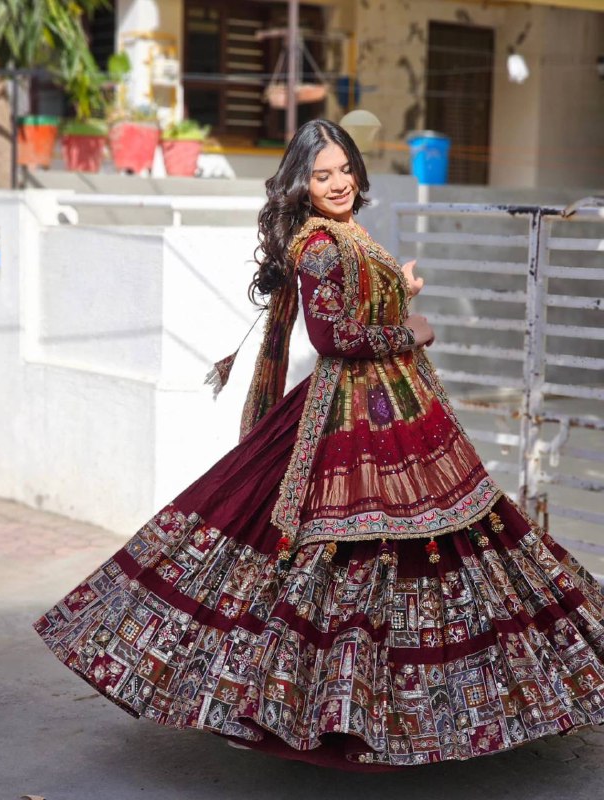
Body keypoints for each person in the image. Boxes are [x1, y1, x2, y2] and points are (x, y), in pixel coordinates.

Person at [35, 120, 604, 771]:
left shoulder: (346, 235)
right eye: (322, 175)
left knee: (444, 526)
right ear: (302, 186)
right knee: (340, 539)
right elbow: (333, 338)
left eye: (344, 170)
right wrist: (411, 330)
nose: (338, 183)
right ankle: (318, 701)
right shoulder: (318, 248)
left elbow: (356, 311)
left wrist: (400, 291)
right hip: (350, 406)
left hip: (391, 403)